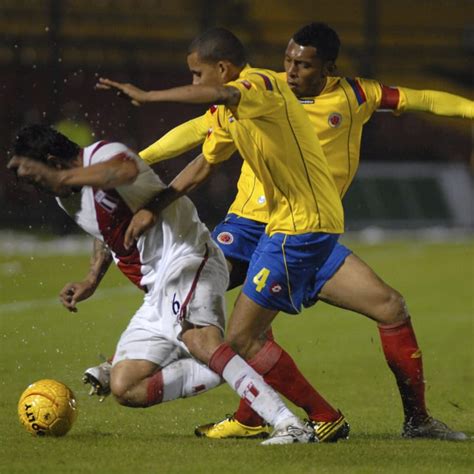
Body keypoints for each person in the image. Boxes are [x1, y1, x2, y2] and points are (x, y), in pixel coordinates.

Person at [103, 24, 471, 441]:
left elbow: (422, 98)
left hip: (304, 228)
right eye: (289, 61)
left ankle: (403, 420)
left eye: (304, 64)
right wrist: (132, 169)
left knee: (384, 308)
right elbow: (200, 134)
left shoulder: (349, 95)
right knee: (196, 293)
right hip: (253, 223)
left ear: (328, 67)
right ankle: (232, 403)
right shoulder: (261, 87)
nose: (293, 71)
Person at [96, 27, 352, 444]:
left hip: (305, 226)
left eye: (198, 74)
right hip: (280, 227)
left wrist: (150, 96)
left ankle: (314, 419)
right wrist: (151, 205)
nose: (196, 82)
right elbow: (201, 164)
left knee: (240, 337)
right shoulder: (235, 113)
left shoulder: (262, 84)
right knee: (229, 318)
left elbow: (222, 96)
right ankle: (285, 412)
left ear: (222, 69)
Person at [7, 124, 317, 445]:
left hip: (188, 258)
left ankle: (290, 424)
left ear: (54, 162)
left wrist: (61, 178)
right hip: (157, 290)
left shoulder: (103, 154)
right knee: (125, 386)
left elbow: (124, 171)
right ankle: (236, 356)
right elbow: (105, 235)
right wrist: (91, 279)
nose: (38, 187)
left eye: (37, 178)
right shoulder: (66, 199)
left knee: (201, 342)